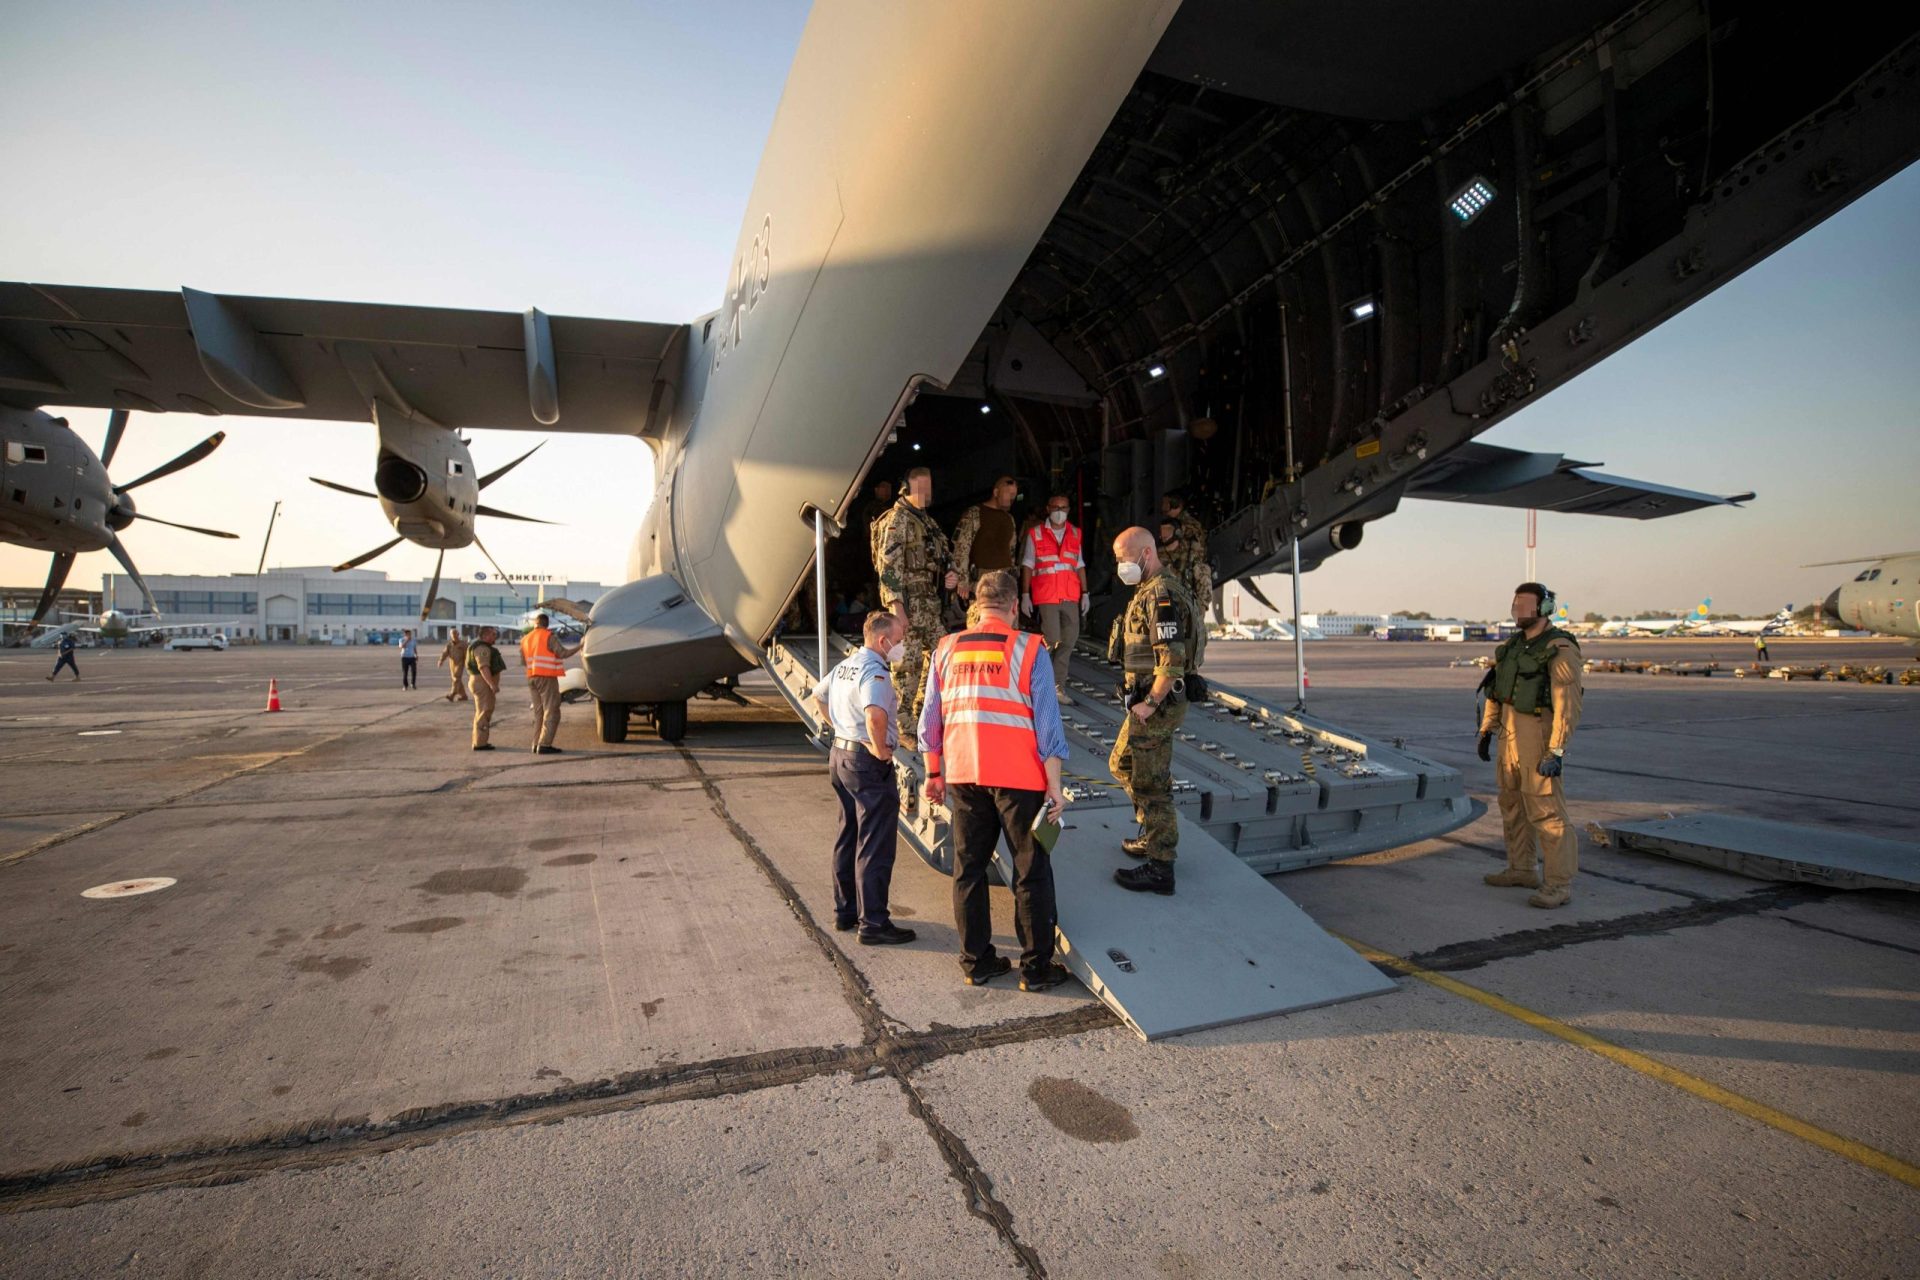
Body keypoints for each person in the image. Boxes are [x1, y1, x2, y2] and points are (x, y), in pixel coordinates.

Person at [920, 570, 1071, 990]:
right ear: (1011, 605)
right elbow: (1047, 726)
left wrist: (934, 772)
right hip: (1019, 779)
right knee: (1030, 871)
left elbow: (930, 720)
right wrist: (1055, 787)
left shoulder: (946, 649)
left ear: (978, 604)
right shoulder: (1029, 648)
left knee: (967, 869)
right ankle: (1035, 969)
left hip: (965, 776)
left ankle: (977, 963)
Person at [810, 611, 915, 946]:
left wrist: (839, 728)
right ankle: (873, 923)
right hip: (865, 763)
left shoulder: (847, 664)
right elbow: (874, 714)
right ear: (883, 640)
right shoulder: (874, 670)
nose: (900, 647)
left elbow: (818, 695)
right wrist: (881, 749)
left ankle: (846, 911)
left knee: (848, 835)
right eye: (898, 641)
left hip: (840, 756)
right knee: (875, 844)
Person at [1477, 582, 1585, 908]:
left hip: (1539, 735)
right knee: (1512, 805)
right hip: (1508, 736)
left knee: (1547, 812)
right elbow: (1495, 692)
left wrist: (1557, 750)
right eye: (1515, 604)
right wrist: (1487, 729)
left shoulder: (1559, 648)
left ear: (1544, 609)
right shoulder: (1511, 647)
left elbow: (1567, 705)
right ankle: (1522, 869)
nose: (1517, 610)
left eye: (1524, 604)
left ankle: (1558, 884)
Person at [1107, 526, 1199, 895]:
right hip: (1146, 701)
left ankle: (1161, 867)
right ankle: (1151, 833)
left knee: (1152, 783)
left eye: (1123, 558)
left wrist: (1151, 702)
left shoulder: (1160, 594)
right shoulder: (1149, 589)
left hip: (1156, 704)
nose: (1120, 565)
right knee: (1122, 764)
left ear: (1145, 554)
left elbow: (1172, 658)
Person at [876, 466, 959, 736]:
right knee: (906, 666)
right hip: (909, 605)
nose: (926, 494)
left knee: (940, 656)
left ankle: (923, 712)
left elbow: (942, 554)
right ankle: (902, 725)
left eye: (929, 488)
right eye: (920, 488)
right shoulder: (897, 520)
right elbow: (889, 567)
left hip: (929, 604)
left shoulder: (926, 521)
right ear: (906, 489)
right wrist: (896, 609)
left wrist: (950, 576)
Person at [1020, 493, 1089, 705]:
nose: (1060, 511)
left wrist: (1085, 593)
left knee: (1068, 641)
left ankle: (1058, 687)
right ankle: (1037, 684)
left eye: (1064, 507)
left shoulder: (1075, 533)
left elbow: (1079, 565)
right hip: (1047, 595)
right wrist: (1025, 594)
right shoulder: (1036, 534)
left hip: (1070, 595)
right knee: (1051, 640)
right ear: (1048, 509)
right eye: (1056, 507)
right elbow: (1028, 565)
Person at [951, 475, 1020, 598]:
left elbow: (1011, 551)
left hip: (1005, 582)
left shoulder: (1009, 519)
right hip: (981, 582)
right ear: (996, 492)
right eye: (1008, 493)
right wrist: (962, 580)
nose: (1011, 498)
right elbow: (961, 548)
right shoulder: (974, 514)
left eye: (1014, 494)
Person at [520, 614, 581, 754]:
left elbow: (523, 662)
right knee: (552, 710)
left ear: (535, 623)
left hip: (531, 677)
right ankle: (545, 744)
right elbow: (563, 653)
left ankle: (536, 743)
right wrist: (580, 646)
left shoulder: (525, 639)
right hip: (546, 677)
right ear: (546, 624)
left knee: (539, 712)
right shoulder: (548, 636)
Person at [1160, 490, 1213, 627]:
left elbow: (1195, 554)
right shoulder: (1173, 524)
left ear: (1176, 505)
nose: (1163, 508)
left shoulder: (1189, 526)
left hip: (1188, 571)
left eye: (1166, 505)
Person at [465, 626, 506, 751]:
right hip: (482, 682)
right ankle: (480, 743)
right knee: (484, 711)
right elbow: (483, 667)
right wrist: (492, 684)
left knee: (482, 711)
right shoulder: (482, 648)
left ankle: (480, 740)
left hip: (480, 682)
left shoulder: (481, 647)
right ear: (486, 635)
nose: (495, 637)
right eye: (493, 634)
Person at [438, 629, 470, 702]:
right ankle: (463, 695)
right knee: (456, 679)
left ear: (458, 634)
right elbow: (445, 653)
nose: (454, 636)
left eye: (455, 634)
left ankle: (452, 694)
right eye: (452, 634)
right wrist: (441, 660)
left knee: (456, 677)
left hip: (460, 663)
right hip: (452, 663)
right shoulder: (449, 645)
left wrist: (468, 663)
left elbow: (468, 654)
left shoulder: (463, 644)